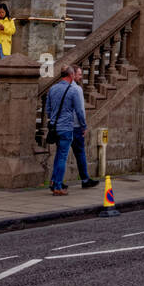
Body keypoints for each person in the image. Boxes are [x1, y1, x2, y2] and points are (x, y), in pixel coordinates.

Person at [45, 65, 87, 196]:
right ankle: (57, 186)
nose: (75, 77)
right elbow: (79, 111)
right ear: (70, 76)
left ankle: (53, 181)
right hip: (66, 128)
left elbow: (48, 109)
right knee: (62, 157)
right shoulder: (73, 90)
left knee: (58, 155)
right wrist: (83, 126)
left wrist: (52, 120)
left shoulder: (52, 88)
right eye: (74, 75)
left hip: (54, 127)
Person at [69, 67, 99, 189]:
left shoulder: (58, 87)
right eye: (79, 74)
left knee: (61, 155)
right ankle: (85, 179)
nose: (81, 77)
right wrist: (83, 125)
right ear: (73, 74)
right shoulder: (77, 89)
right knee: (80, 153)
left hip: (63, 126)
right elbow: (80, 110)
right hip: (75, 126)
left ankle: (56, 181)